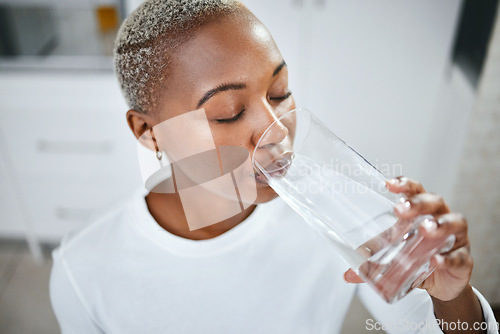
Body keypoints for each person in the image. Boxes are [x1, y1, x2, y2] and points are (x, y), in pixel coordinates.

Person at [49, 1, 498, 333]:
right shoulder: (84, 273)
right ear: (149, 132)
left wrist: (453, 296)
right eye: (226, 112)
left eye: (280, 91)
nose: (277, 129)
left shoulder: (339, 210)